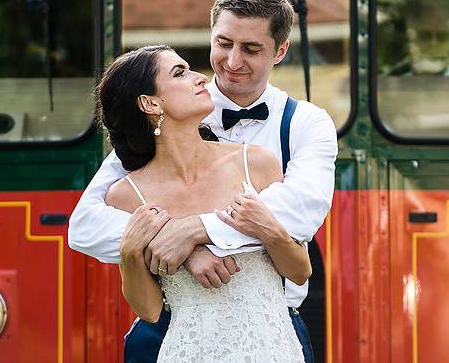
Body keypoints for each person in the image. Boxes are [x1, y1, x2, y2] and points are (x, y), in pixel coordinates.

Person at [69, 0, 337, 362]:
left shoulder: (305, 123)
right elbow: (86, 224)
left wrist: (195, 230)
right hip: (172, 330)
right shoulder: (170, 110)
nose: (231, 61)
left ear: (280, 51)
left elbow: (299, 211)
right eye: (223, 44)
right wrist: (182, 248)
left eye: (251, 49)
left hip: (270, 326)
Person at [98, 44, 309, 361]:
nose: (200, 78)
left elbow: (300, 271)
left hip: (271, 349)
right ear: (149, 102)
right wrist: (129, 252)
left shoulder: (255, 163)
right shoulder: (126, 196)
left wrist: (267, 230)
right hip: (189, 352)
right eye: (180, 73)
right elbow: (151, 311)